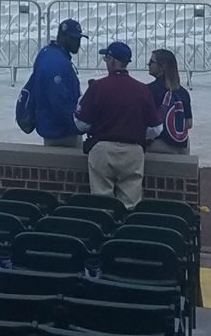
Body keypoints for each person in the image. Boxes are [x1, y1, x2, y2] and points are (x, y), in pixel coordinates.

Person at [75, 41, 161, 208]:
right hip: (133, 151)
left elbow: (81, 124)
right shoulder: (142, 89)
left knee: (102, 205)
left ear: (112, 60)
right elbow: (155, 129)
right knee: (130, 206)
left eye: (106, 59)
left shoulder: (98, 87)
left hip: (102, 149)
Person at [21, 19, 84, 148]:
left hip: (54, 128)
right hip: (61, 133)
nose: (78, 43)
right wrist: (78, 126)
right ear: (63, 37)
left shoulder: (48, 52)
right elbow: (59, 102)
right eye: (74, 39)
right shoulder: (56, 63)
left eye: (79, 39)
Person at [145, 49, 192, 154]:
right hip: (181, 146)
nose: (148, 64)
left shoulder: (149, 90)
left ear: (162, 67)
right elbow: (189, 123)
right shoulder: (183, 92)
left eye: (152, 62)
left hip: (157, 145)